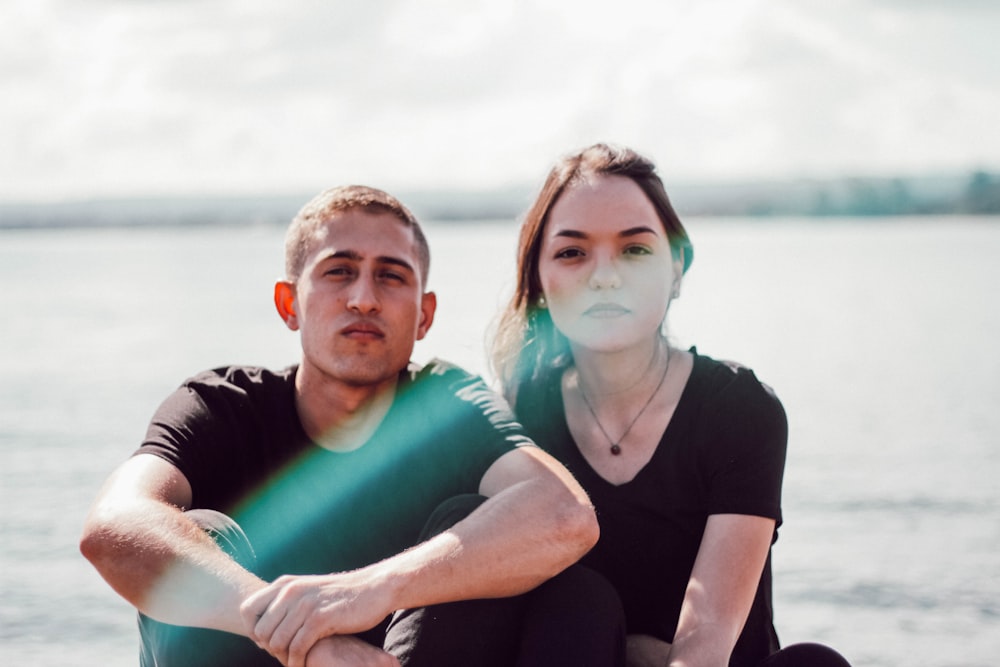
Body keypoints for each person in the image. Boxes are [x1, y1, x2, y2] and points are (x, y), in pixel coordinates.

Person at [81, 185, 625, 667]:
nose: (363, 298)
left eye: (390, 276)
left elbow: (564, 515)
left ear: (424, 316)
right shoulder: (224, 407)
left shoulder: (445, 404)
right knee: (199, 538)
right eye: (338, 271)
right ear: (289, 302)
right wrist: (302, 638)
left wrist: (366, 592)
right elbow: (112, 526)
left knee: (576, 592)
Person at [491, 144, 853, 667]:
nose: (605, 276)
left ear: (678, 266)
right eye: (572, 252)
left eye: (635, 249)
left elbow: (705, 644)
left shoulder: (739, 409)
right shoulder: (519, 413)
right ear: (539, 282)